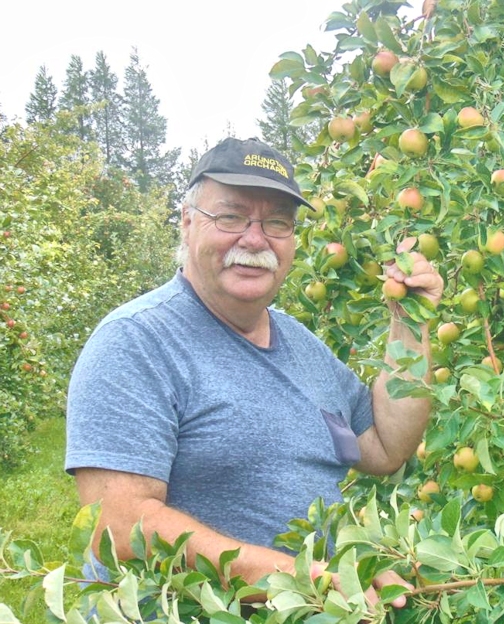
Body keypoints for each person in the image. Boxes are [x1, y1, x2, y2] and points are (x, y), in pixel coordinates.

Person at [64, 137, 444, 608]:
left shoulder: (301, 344)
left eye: (277, 222)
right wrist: (301, 579)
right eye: (231, 216)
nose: (254, 238)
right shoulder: (136, 342)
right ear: (186, 222)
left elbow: (386, 448)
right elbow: (119, 527)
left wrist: (410, 324)